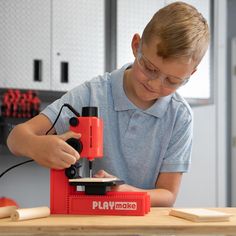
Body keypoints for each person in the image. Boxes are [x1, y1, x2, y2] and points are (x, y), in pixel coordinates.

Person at [7, 1, 210, 207]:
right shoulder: (93, 93)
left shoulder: (180, 116)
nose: (155, 84)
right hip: (94, 220)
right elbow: (15, 138)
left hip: (146, 225)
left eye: (173, 81)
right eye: (150, 68)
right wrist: (37, 146)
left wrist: (128, 192)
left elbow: (168, 195)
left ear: (190, 74)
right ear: (136, 46)